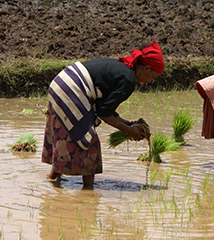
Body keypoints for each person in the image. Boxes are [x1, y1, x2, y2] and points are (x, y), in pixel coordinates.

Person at [42, 42, 164, 187]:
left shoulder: (125, 70)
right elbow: (103, 113)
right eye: (153, 77)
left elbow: (104, 107)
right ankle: (89, 190)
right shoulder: (128, 80)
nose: (150, 81)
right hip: (72, 88)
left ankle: (53, 177)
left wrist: (126, 123)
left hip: (62, 82)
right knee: (88, 140)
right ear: (146, 68)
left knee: (68, 132)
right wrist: (129, 130)